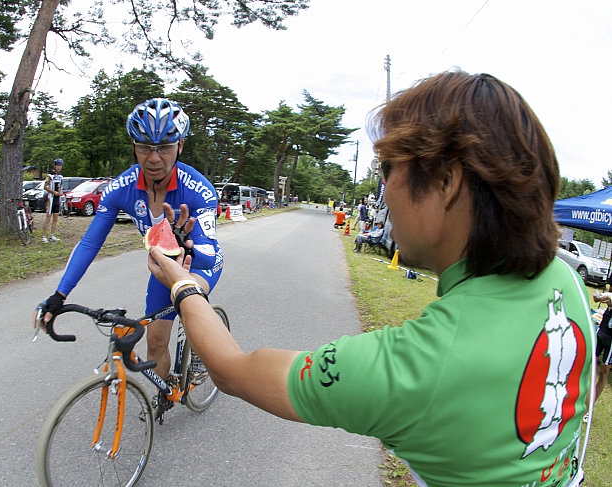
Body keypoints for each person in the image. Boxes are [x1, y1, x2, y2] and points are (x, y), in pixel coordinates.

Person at [146, 71, 595, 486]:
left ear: (445, 181)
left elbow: (231, 371)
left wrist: (182, 283)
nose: (381, 192)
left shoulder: (414, 369)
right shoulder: (566, 283)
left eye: (386, 170)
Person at [37, 98, 223, 408]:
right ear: (133, 146)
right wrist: (59, 295)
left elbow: (209, 248)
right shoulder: (120, 188)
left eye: (164, 147)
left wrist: (188, 245)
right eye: (144, 147)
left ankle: (203, 353)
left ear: (180, 146)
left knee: (191, 309)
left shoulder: (198, 189)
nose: (153, 158)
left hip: (199, 265)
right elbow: (89, 244)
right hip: (162, 270)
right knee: (155, 343)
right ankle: (163, 395)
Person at [592, 289, 612, 403]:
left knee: (604, 371)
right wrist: (599, 297)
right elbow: (608, 295)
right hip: (604, 325)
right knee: (589, 362)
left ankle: (589, 408)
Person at [41, 158, 64, 243]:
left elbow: (61, 186)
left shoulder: (61, 176)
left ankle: (52, 235)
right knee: (48, 217)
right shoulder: (49, 175)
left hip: (57, 199)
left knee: (56, 218)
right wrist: (53, 192)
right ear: (54, 166)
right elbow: (45, 187)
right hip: (51, 198)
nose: (59, 167)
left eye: (60, 165)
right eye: (58, 165)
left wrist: (60, 192)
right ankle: (44, 236)